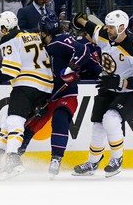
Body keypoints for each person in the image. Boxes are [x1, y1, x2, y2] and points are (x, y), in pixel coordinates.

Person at [71, 9, 133, 177]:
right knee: (97, 125)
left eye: (111, 27)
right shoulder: (105, 33)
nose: (107, 30)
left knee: (110, 119)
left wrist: (121, 82)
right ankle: (93, 162)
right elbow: (93, 28)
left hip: (131, 91)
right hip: (109, 87)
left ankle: (117, 159)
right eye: (107, 26)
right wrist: (80, 21)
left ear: (122, 27)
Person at [16, 13, 102, 176]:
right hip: (46, 94)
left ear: (44, 31)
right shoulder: (43, 46)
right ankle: (13, 157)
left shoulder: (60, 40)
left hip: (66, 93)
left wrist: (72, 67)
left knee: (60, 118)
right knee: (30, 125)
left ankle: (56, 158)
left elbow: (82, 50)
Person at [0, 11, 54, 180]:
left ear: (5, 28)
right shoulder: (32, 35)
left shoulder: (9, 38)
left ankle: (13, 159)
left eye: (0, 28)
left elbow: (11, 69)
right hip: (46, 87)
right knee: (7, 121)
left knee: (14, 120)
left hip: (27, 84)